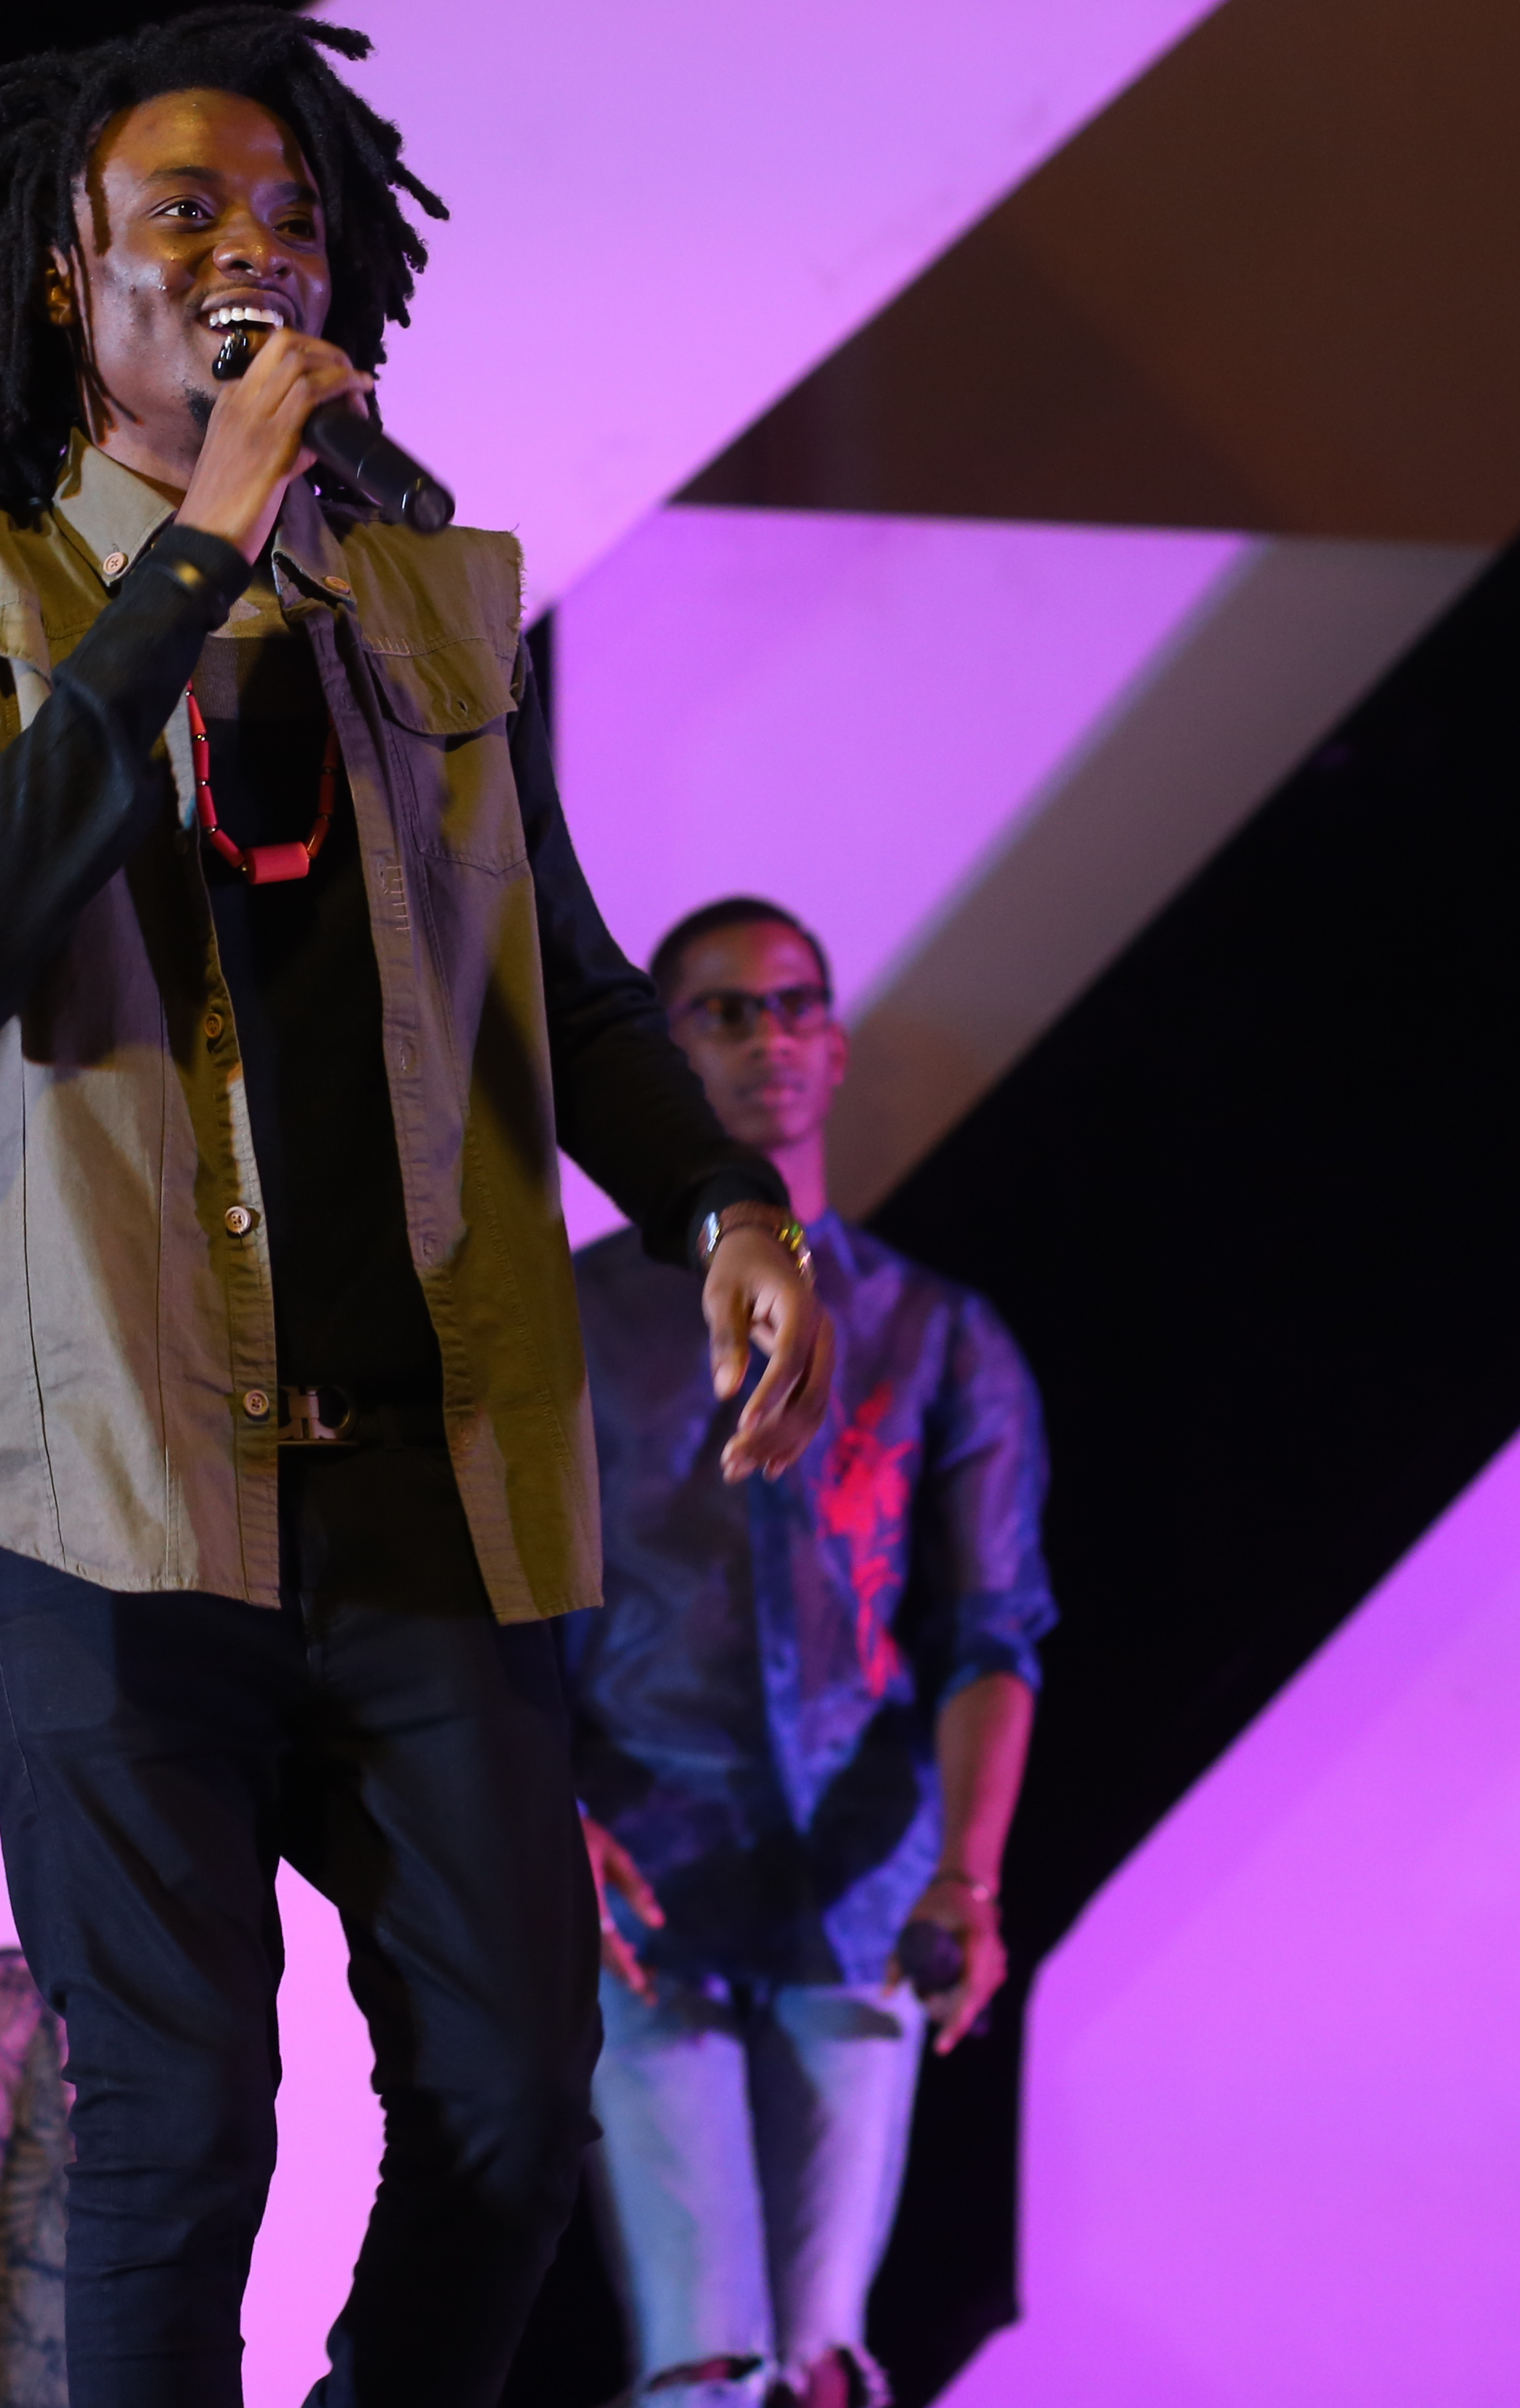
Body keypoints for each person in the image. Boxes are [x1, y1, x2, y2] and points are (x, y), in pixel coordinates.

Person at [0, 6, 834, 2408]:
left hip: (425, 1494)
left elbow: (565, 985)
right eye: (183, 214)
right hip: (113, 1491)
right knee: (183, 2129)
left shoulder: (431, 602)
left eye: (287, 216)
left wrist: (727, 1204)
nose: (250, 253)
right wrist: (196, 545)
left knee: (511, 2101)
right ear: (69, 275)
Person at [565, 898, 1052, 2408]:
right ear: (663, 1051)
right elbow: (489, 1622)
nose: (767, 1037)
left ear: (834, 1048)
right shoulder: (568, 1326)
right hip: (641, 1881)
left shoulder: (938, 1335)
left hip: (861, 1880)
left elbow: (992, 1633)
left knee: (824, 2354)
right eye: (723, 1010)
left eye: (793, 1005)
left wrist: (969, 1875)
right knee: (703, 2354)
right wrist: (544, 1819)